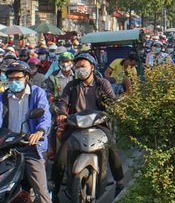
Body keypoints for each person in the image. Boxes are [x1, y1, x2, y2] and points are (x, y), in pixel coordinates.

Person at [51, 53, 124, 202]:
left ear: (92, 67)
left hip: (99, 124)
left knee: (112, 150)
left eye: (82, 66)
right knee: (60, 159)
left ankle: (120, 183)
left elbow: (111, 98)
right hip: (75, 125)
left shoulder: (102, 83)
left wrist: (116, 107)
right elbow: (63, 102)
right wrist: (62, 112)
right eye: (77, 67)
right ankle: (54, 191)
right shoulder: (71, 85)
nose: (79, 70)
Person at [0, 60, 51, 203]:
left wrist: (39, 132)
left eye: (17, 78)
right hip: (5, 146)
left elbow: (45, 117)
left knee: (41, 192)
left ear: (26, 78)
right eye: (10, 79)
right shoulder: (1, 97)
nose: (13, 82)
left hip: (30, 147)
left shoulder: (37, 93)